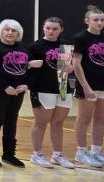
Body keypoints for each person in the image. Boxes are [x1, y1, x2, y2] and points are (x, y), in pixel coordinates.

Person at [71, 6, 104, 168]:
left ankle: (97, 151)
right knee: (84, 118)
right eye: (96, 20)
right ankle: (81, 152)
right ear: (87, 21)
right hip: (89, 85)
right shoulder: (80, 38)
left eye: (102, 20)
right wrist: (85, 86)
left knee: (100, 119)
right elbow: (76, 63)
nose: (99, 23)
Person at [26, 17, 76, 169]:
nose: (51, 31)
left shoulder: (65, 46)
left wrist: (70, 67)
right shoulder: (35, 46)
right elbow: (25, 67)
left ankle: (57, 154)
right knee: (41, 123)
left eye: (55, 29)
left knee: (58, 123)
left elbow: (63, 68)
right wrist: (29, 65)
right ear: (43, 28)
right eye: (48, 28)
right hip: (42, 88)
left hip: (62, 87)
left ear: (61, 30)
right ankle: (36, 154)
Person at [0, 19, 31, 168]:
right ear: (1, 31)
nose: (10, 33)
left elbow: (28, 70)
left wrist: (26, 84)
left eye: (13, 30)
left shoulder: (24, 49)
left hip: (17, 90)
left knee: (12, 121)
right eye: (7, 30)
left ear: (18, 33)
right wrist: (5, 86)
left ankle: (9, 154)